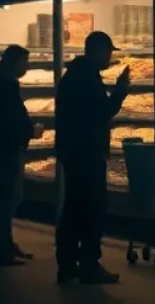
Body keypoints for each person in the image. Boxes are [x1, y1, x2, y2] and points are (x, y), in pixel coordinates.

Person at [54, 30, 131, 284]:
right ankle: (88, 264)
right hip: (86, 153)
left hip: (74, 152)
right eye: (108, 52)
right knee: (91, 209)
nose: (110, 57)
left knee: (74, 209)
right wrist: (119, 92)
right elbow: (100, 113)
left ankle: (67, 264)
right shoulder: (86, 79)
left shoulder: (76, 75)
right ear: (97, 51)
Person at [0, 44, 41, 267]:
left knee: (11, 195)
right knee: (10, 196)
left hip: (0, 147)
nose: (28, 66)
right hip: (7, 148)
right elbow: (10, 117)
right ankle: (2, 248)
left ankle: (4, 238)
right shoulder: (6, 85)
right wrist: (29, 131)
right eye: (25, 61)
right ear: (15, 62)